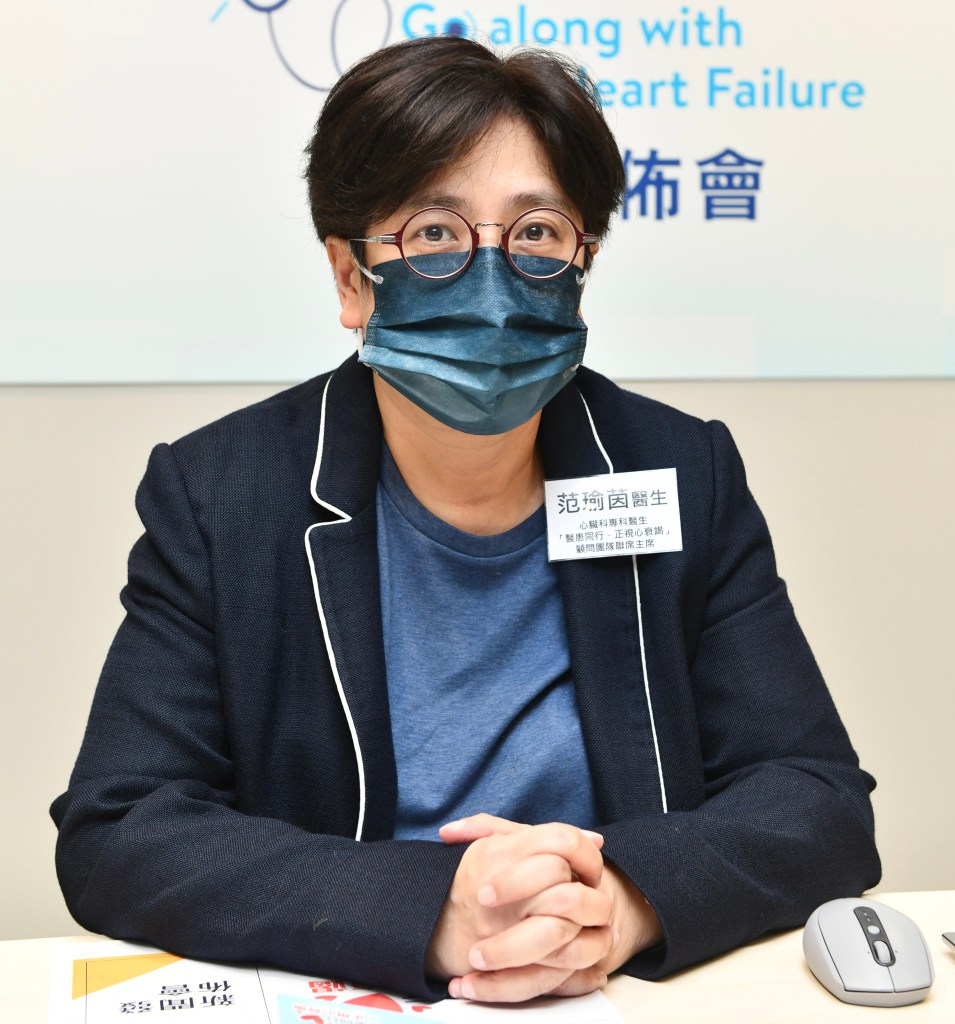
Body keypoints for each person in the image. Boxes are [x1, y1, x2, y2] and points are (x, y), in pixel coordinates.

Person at [52, 35, 880, 1005]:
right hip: (367, 991)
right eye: (435, 234)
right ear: (351, 277)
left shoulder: (678, 470)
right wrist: (431, 909)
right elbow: (120, 830)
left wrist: (623, 901)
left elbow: (818, 800)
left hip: (613, 994)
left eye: (536, 232)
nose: (492, 283)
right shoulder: (222, 493)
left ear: (581, 262)